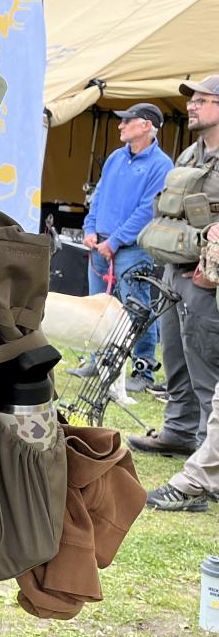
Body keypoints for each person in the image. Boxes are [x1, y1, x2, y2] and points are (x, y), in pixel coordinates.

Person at [130, 75, 219, 469]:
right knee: (176, 356)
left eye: (202, 100)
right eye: (193, 100)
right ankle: (180, 431)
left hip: (207, 276)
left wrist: (210, 270)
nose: (192, 107)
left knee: (206, 362)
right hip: (175, 269)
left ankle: (208, 445)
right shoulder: (189, 155)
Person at [68, 102, 173, 390]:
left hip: (132, 250)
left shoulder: (162, 165)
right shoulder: (116, 157)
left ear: (146, 126)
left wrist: (114, 241)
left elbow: (147, 211)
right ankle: (99, 361)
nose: (120, 125)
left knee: (137, 311)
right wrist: (89, 229)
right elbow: (98, 195)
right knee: (97, 307)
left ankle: (143, 372)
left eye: (128, 120)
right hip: (101, 245)